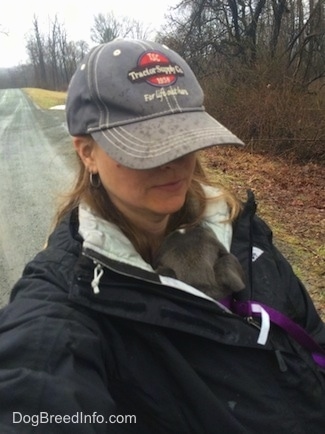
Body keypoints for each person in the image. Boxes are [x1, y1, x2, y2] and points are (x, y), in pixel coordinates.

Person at [0, 39, 324, 434]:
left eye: (182, 137)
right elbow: (36, 386)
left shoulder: (239, 225)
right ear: (87, 152)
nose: (173, 162)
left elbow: (311, 333)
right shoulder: (71, 294)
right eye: (146, 146)